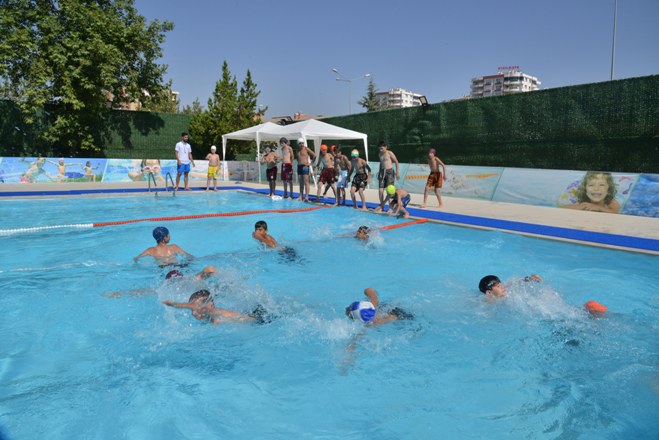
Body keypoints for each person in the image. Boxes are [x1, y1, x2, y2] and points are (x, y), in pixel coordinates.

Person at [163, 289, 265, 325]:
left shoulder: (214, 312)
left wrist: (175, 304)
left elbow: (202, 309)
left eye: (195, 307)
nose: (193, 312)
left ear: (210, 304)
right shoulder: (209, 318)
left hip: (261, 320)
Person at [345, 288, 414, 326]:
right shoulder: (374, 302)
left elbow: (368, 290)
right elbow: (368, 290)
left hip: (403, 317)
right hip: (391, 308)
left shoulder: (376, 322)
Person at [478, 274, 543, 298]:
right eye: (498, 286)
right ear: (489, 292)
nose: (502, 287)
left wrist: (530, 278)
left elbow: (517, 283)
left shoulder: (503, 290)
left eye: (500, 284)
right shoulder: (490, 301)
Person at [296, 138, 316, 202]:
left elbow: (314, 155)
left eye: (302, 143)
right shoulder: (297, 150)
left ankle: (306, 197)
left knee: (306, 182)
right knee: (301, 182)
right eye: (300, 143)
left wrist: (311, 163)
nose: (302, 144)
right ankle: (300, 196)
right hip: (299, 167)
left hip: (305, 167)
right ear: (298, 144)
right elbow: (298, 158)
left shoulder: (306, 149)